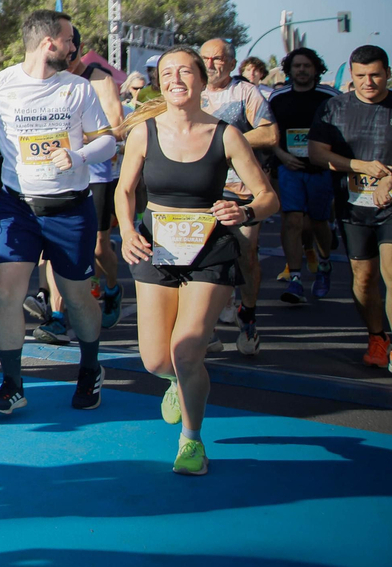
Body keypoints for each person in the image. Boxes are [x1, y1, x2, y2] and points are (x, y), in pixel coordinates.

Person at [115, 47, 277, 475]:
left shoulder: (226, 135)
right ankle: (175, 382)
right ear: (160, 83)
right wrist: (128, 230)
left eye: (185, 71)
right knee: (155, 360)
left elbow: (268, 198)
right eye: (167, 72)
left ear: (203, 82)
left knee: (187, 350)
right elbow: (125, 190)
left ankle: (191, 440)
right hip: (156, 249)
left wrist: (244, 212)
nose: (175, 78)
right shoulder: (143, 134)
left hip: (210, 252)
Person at [0, 10, 117, 416]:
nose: (74, 47)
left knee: (76, 297)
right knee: (7, 296)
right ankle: (12, 384)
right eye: (70, 40)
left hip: (70, 208)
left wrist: (79, 154)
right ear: (50, 42)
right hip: (19, 207)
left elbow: (108, 142)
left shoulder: (78, 90)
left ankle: (90, 367)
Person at [309, 44, 392, 369]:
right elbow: (318, 153)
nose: (368, 82)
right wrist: (360, 166)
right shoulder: (334, 109)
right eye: (361, 76)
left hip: (391, 205)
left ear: (387, 73)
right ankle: (377, 337)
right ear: (352, 74)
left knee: (390, 270)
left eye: (375, 75)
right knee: (363, 276)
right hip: (354, 206)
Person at [199, 38, 277, 355]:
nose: (210, 64)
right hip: (203, 190)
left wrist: (230, 141)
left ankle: (247, 316)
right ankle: (207, 328)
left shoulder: (245, 92)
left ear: (231, 63)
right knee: (202, 258)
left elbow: (270, 133)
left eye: (217, 59)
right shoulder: (192, 92)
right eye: (204, 58)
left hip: (242, 192)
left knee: (245, 254)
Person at [269, 47, 339, 305]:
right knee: (292, 220)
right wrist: (282, 156)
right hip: (289, 167)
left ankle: (324, 265)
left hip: (321, 169)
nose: (301, 70)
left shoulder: (330, 97)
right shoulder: (278, 97)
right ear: (289, 70)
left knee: (318, 222)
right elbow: (268, 133)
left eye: (306, 66)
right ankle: (295, 278)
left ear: (316, 69)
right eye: (297, 66)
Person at [69, 32, 128, 332]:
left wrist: (78, 138)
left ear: (78, 48)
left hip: (97, 171)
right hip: (62, 171)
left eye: (71, 48)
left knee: (99, 243)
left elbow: (117, 126)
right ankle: (57, 309)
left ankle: (113, 288)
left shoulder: (99, 78)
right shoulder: (49, 75)